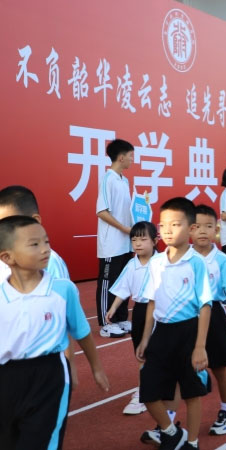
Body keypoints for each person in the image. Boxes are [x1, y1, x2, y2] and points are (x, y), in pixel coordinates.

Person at [0, 216, 110, 450]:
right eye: (34, 244)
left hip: (49, 374)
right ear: (7, 257)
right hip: (7, 376)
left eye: (46, 242)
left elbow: (82, 333)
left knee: (42, 439)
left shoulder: (63, 290)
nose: (45, 249)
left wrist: (97, 368)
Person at [136, 197, 212, 450]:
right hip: (161, 333)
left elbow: (205, 305)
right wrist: (146, 337)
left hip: (189, 332)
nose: (167, 230)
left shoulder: (196, 263)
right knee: (148, 391)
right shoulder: (156, 262)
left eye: (175, 224)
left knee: (191, 392)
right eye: (163, 224)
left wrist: (200, 346)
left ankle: (192, 441)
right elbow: (151, 302)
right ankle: (171, 433)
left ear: (190, 229)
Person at [191, 205, 226, 436]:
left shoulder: (221, 259)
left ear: (217, 229)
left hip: (213, 313)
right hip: (188, 315)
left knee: (219, 367)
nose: (203, 231)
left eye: (209, 226)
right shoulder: (183, 257)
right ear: (189, 230)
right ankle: (171, 417)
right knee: (181, 366)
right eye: (198, 226)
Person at [106, 221, 158, 416]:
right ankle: (143, 390)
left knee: (158, 350)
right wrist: (113, 308)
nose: (138, 243)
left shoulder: (161, 262)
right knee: (141, 352)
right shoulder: (131, 264)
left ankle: (150, 388)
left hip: (160, 311)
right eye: (134, 239)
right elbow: (123, 289)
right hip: (139, 311)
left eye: (143, 239)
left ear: (154, 241)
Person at [96, 138, 135, 338]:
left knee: (123, 282)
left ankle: (120, 318)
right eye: (130, 156)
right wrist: (123, 228)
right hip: (110, 244)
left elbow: (126, 211)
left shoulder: (124, 180)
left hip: (125, 243)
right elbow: (102, 211)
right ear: (121, 157)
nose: (132, 160)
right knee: (107, 282)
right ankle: (105, 322)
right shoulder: (108, 178)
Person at [0, 186, 70, 281]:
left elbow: (62, 293)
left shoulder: (49, 260)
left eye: (12, 224)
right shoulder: (4, 257)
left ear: (35, 221)